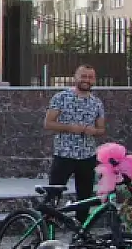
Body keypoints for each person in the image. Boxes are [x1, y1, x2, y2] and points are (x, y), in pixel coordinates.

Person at [44, 64, 105, 200]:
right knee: (53, 194)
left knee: (85, 197)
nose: (87, 80)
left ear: (94, 80)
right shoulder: (61, 97)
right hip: (64, 154)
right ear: (75, 77)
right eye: (83, 76)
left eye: (90, 77)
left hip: (87, 156)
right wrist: (71, 128)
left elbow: (101, 129)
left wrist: (93, 131)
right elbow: (48, 123)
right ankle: (48, 220)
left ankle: (81, 221)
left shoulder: (97, 103)